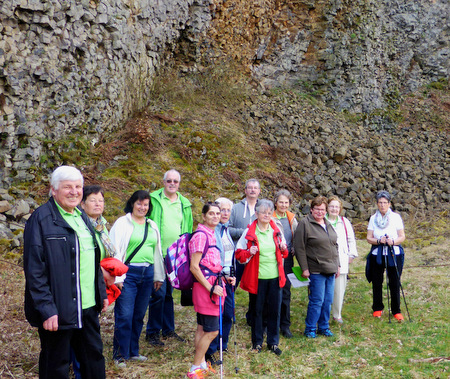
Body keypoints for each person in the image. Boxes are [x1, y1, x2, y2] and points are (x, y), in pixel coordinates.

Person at [23, 166, 107, 379]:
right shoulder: (41, 219)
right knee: (57, 365)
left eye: (78, 187)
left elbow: (92, 259)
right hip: (58, 309)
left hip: (87, 307)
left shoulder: (82, 217)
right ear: (54, 190)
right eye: (67, 187)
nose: (74, 192)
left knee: (93, 360)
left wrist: (101, 293)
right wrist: (46, 308)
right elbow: (34, 270)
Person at [109, 190, 165, 367]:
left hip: (147, 274)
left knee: (139, 315)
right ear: (132, 203)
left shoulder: (152, 225)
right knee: (125, 314)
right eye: (139, 203)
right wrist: (118, 276)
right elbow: (115, 251)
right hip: (128, 273)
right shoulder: (122, 223)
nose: (142, 207)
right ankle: (119, 354)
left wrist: (158, 275)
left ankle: (133, 351)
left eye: (146, 204)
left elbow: (157, 252)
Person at [187, 202, 236, 379]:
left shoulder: (211, 234)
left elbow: (209, 265)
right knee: (212, 331)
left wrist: (224, 278)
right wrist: (211, 288)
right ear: (204, 216)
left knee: (202, 327)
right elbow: (194, 267)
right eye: (211, 214)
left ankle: (199, 363)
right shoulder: (201, 236)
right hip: (206, 289)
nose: (215, 216)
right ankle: (194, 368)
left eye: (218, 213)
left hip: (212, 285)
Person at [146, 169, 193, 346]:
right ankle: (152, 332)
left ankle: (168, 329)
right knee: (158, 293)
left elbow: (187, 228)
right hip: (157, 253)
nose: (172, 184)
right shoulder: (154, 199)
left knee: (169, 294)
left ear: (179, 184)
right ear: (163, 182)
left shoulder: (184, 204)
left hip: (175, 256)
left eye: (175, 181)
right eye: (169, 181)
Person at [236, 199, 288, 355]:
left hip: (275, 278)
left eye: (269, 212)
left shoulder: (277, 231)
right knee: (257, 311)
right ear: (256, 214)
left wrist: (283, 248)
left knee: (275, 311)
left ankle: (273, 343)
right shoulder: (249, 232)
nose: (266, 215)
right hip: (257, 278)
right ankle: (257, 343)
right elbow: (239, 254)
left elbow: (284, 252)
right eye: (263, 212)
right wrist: (248, 253)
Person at [293, 196, 340, 339]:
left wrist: (338, 265)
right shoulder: (305, 224)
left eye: (323, 209)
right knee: (317, 300)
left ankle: (324, 327)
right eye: (317, 209)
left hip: (330, 269)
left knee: (327, 300)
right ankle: (310, 328)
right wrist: (304, 268)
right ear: (311, 209)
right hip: (315, 269)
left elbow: (334, 245)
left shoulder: (327, 224)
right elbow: (299, 248)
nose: (320, 212)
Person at [366, 190, 406, 321]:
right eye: (380, 202)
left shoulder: (396, 217)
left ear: (389, 204)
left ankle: (396, 310)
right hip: (378, 253)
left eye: (385, 202)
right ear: (377, 204)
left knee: (394, 281)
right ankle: (377, 308)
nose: (382, 205)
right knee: (377, 281)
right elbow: (369, 238)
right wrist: (379, 241)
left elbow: (402, 236)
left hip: (394, 252)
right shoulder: (373, 218)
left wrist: (393, 242)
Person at [205, 197, 236, 366]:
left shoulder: (226, 229)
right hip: (217, 278)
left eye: (227, 210)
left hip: (228, 277)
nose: (224, 213)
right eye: (221, 210)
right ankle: (210, 349)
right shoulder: (212, 231)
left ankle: (222, 344)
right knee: (215, 314)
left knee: (228, 313)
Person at [228, 179, 261, 325]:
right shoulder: (235, 208)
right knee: (232, 285)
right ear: (245, 190)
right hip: (239, 254)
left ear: (259, 191)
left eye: (255, 188)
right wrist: (245, 233)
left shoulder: (263, 208)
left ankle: (253, 316)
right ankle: (229, 313)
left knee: (255, 287)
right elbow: (227, 229)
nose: (253, 190)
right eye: (250, 188)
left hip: (256, 257)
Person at [325, 196, 358, 323]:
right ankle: (324, 314)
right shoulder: (322, 221)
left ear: (340, 209)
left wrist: (351, 255)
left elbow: (351, 239)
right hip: (324, 260)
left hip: (341, 259)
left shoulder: (344, 222)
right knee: (324, 289)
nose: (334, 209)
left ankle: (337, 314)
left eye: (336, 207)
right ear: (327, 208)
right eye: (332, 206)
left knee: (339, 289)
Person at [272, 189, 298, 338]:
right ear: (276, 202)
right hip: (273, 260)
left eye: (286, 202)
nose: (283, 205)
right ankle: (271, 324)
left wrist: (294, 248)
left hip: (287, 259)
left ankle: (285, 325)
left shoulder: (291, 218)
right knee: (273, 292)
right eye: (280, 202)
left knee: (286, 292)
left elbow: (296, 236)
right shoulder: (270, 217)